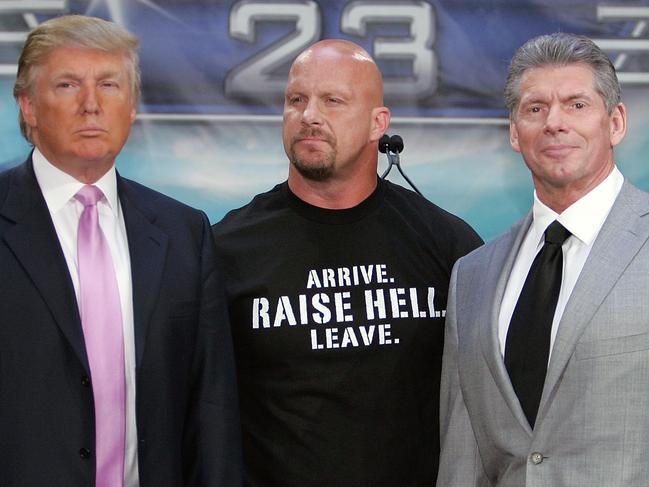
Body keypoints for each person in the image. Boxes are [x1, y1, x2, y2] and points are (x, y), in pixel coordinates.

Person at [212, 39, 482, 487]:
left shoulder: (447, 244)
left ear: (379, 123)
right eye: (296, 100)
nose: (309, 115)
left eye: (333, 101)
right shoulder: (228, 249)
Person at [0, 15, 241, 486]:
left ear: (131, 106)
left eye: (109, 85)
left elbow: (211, 405)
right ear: (28, 105)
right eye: (68, 84)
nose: (91, 104)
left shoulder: (184, 232)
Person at [437, 32, 649, 486]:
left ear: (615, 123)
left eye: (576, 104)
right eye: (535, 109)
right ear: (515, 132)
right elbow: (463, 454)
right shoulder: (472, 276)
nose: (554, 122)